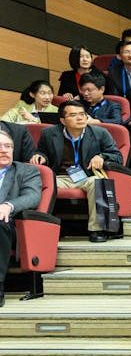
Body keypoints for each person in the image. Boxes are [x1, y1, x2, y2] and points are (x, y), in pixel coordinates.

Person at [32, 100, 122, 242]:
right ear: (62, 120)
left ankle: (97, 230)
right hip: (60, 177)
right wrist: (40, 156)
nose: (80, 118)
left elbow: (117, 156)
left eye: (82, 114)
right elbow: (42, 152)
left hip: (87, 176)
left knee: (97, 182)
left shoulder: (100, 133)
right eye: (73, 115)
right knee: (38, 183)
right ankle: (41, 227)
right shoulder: (49, 134)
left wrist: (102, 157)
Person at [0, 127, 43, 306]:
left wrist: (8, 206)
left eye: (8, 146)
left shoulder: (26, 171)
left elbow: (32, 197)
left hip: (11, 225)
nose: (4, 150)